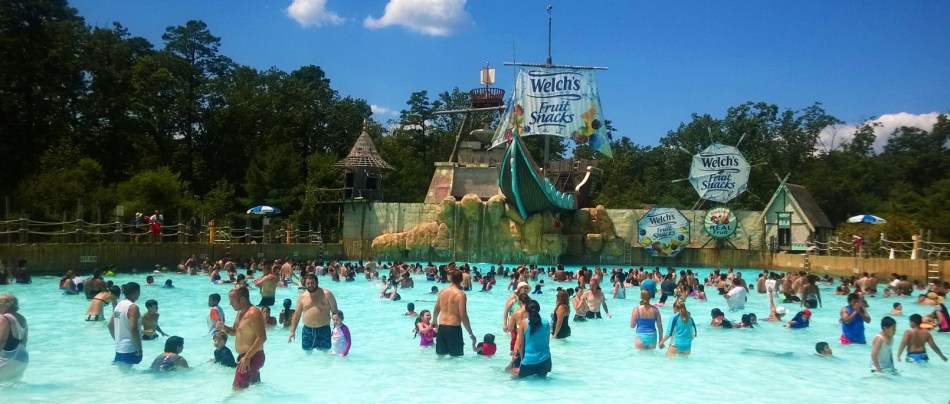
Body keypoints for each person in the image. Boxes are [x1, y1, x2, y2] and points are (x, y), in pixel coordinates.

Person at [217, 287, 267, 390]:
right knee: (253, 389)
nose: (230, 303)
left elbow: (262, 337)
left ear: (242, 299)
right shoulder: (240, 312)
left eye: (232, 301)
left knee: (237, 391)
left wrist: (247, 357)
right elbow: (235, 332)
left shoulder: (253, 313)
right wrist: (224, 328)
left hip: (252, 356)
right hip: (246, 357)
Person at [289, 274, 338, 351]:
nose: (310, 285)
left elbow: (335, 312)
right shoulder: (302, 297)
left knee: (325, 353)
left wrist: (336, 329)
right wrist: (292, 331)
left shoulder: (327, 294)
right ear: (305, 284)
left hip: (324, 330)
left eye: (312, 283)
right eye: (308, 283)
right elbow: (297, 315)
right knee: (307, 353)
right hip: (307, 330)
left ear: (317, 282)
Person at [433, 270, 476, 357]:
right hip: (454, 329)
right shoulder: (461, 295)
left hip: (442, 328)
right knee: (456, 358)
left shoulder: (442, 291)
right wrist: (470, 334)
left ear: (451, 279)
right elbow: (463, 315)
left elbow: (436, 309)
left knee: (440, 357)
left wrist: (434, 322)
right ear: (461, 280)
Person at [510, 300, 551, 378]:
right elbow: (547, 341)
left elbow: (521, 344)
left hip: (529, 361)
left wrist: (522, 359)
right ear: (539, 309)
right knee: (542, 381)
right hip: (546, 360)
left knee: (510, 372)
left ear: (526, 310)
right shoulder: (546, 322)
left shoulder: (524, 323)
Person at [109, 283, 143, 365]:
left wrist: (118, 341)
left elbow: (110, 325)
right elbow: (133, 329)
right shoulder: (133, 307)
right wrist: (139, 348)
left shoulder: (118, 305)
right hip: (130, 348)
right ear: (136, 292)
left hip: (119, 348)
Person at [0, 293, 29, 382]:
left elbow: (2, 340)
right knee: (11, 384)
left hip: (8, 358)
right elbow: (24, 341)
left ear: (7, 305)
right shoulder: (22, 318)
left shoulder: (5, 318)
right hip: (22, 357)